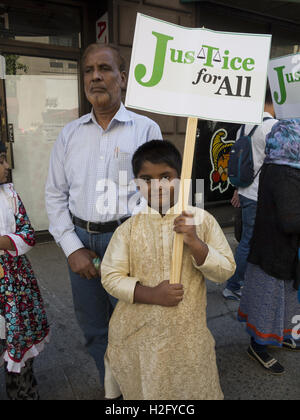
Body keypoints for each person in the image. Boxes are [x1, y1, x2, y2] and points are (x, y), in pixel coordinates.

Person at [45, 43, 162, 390]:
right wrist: (71, 248)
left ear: (122, 78)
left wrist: (127, 244)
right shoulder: (69, 134)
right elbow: (54, 194)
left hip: (126, 242)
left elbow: (156, 195)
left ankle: (140, 393)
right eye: (88, 70)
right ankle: (113, 389)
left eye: (105, 68)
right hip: (81, 242)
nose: (96, 76)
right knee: (95, 328)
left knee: (135, 324)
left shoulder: (145, 130)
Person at [101, 140, 236, 400]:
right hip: (141, 335)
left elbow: (226, 269)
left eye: (166, 176)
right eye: (147, 179)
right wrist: (151, 294)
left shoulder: (201, 220)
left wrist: (196, 244)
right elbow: (110, 276)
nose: (157, 186)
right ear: (136, 184)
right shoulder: (128, 229)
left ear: (180, 177)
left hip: (188, 337)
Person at [238, 119, 300, 375]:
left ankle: (278, 336)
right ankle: (258, 347)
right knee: (268, 302)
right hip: (275, 252)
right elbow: (290, 221)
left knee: (277, 301)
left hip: (270, 248)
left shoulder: (275, 165)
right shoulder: (287, 173)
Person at [0, 143, 49, 400]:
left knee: (17, 337)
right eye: (1, 161)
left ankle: (23, 393)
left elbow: (28, 235)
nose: (7, 167)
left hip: (15, 284)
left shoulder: (11, 196)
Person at [223, 87, 278, 300]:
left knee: (249, 240)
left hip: (246, 191)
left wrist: (238, 189)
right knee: (250, 241)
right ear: (273, 103)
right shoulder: (273, 127)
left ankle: (247, 281)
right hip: (261, 195)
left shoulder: (244, 127)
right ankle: (234, 285)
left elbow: (242, 162)